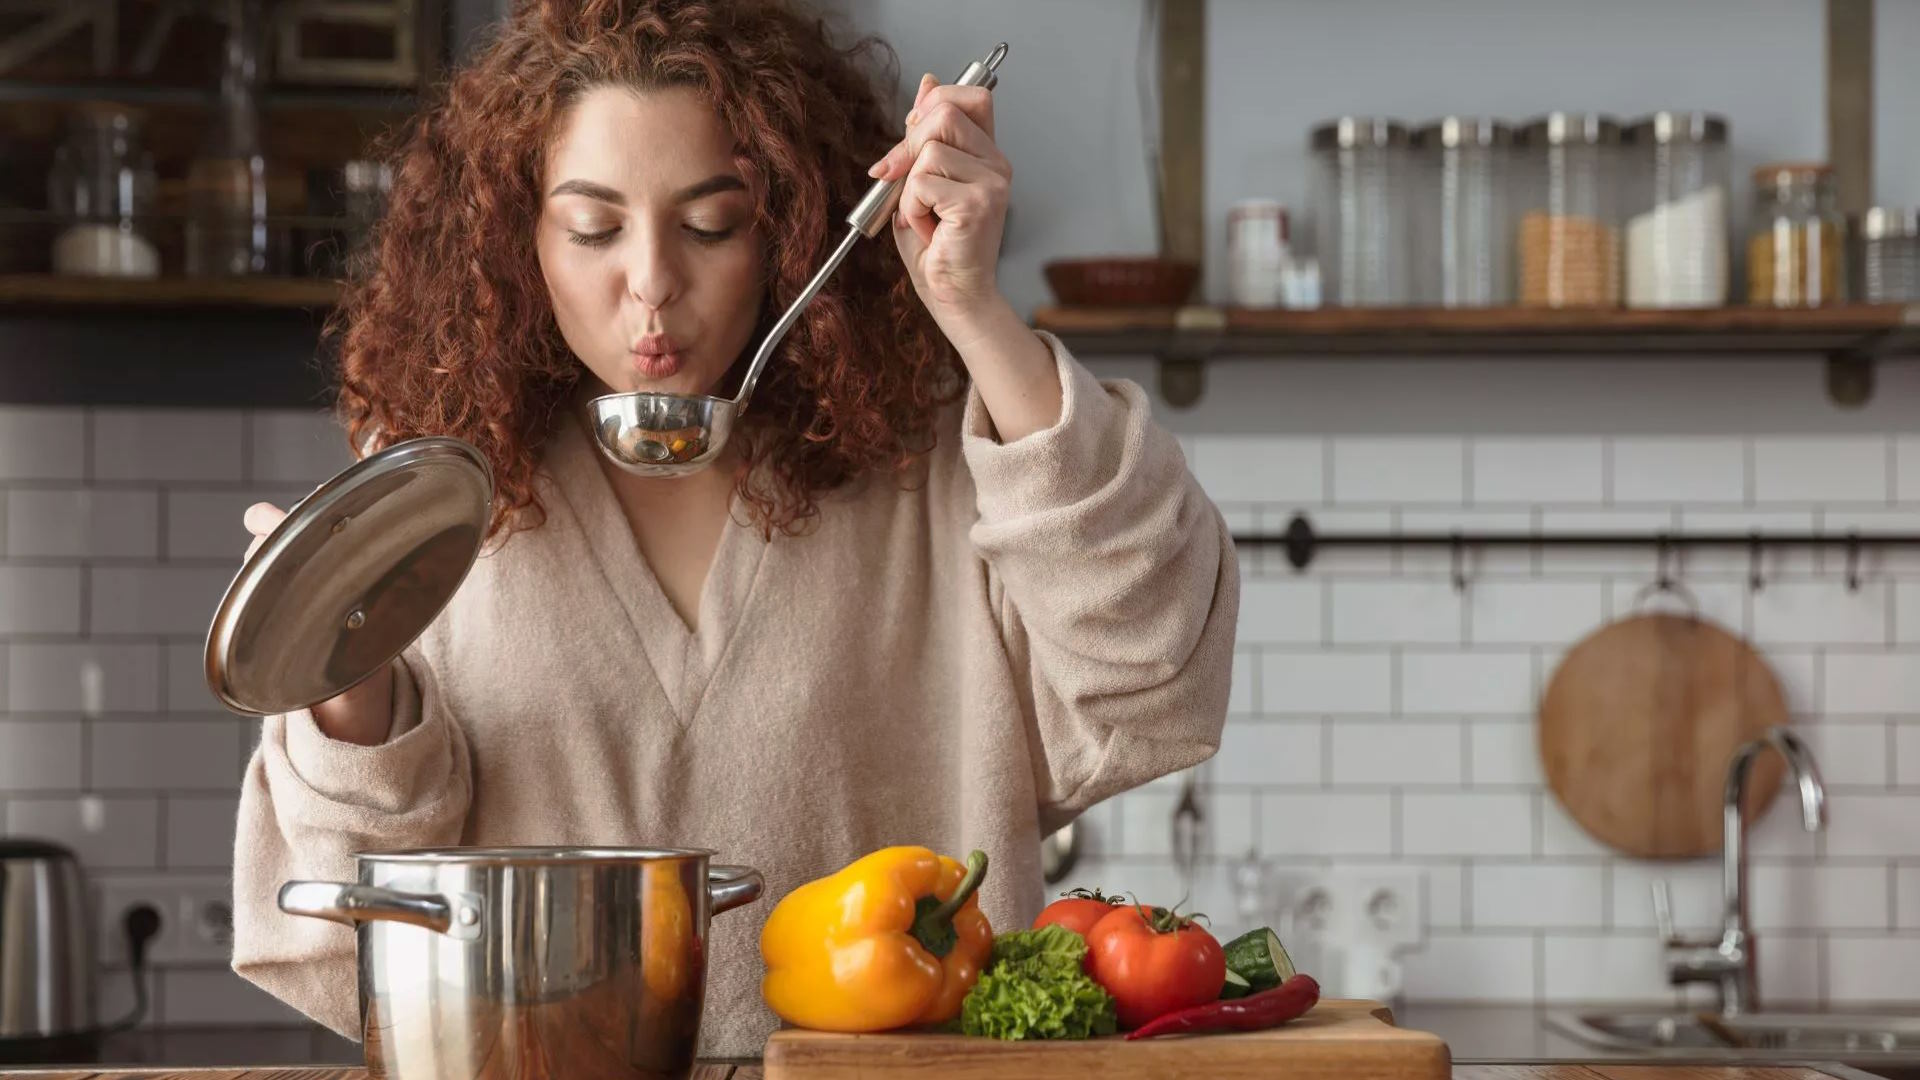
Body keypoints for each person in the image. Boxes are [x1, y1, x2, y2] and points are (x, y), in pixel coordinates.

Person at [230, 0, 1238, 1058]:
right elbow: (353, 910)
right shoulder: (434, 494)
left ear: (790, 228)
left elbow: (1152, 670)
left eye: (712, 224)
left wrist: (974, 311)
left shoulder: (933, 463)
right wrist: (345, 687)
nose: (652, 283)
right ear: (515, 239)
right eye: (592, 228)